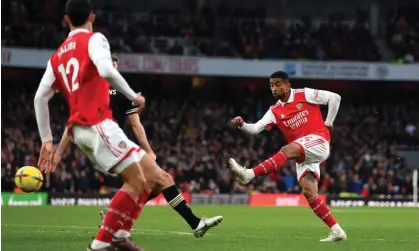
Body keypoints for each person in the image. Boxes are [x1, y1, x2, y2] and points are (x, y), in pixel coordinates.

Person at [34, 0, 159, 250]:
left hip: (82, 130)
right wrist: (134, 96)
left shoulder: (56, 56)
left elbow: (40, 98)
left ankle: (121, 234)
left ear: (66, 20)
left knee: (150, 175)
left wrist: (46, 140)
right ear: (92, 16)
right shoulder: (95, 39)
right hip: (97, 123)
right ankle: (100, 244)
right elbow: (106, 69)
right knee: (136, 180)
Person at [99, 55, 222, 238]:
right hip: (116, 145)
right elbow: (135, 123)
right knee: (163, 178)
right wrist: (148, 149)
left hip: (103, 145)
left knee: (157, 184)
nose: (114, 70)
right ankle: (195, 223)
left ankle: (115, 216)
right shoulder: (120, 89)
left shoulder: (92, 88)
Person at [229, 71, 347, 242]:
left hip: (318, 141)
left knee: (286, 150)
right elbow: (255, 129)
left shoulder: (304, 94)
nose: (274, 88)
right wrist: (242, 125)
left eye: (277, 84)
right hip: (303, 153)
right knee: (309, 191)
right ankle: (337, 231)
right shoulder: (274, 111)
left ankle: (249, 174)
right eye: (271, 85)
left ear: (287, 85)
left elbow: (335, 98)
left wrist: (328, 123)